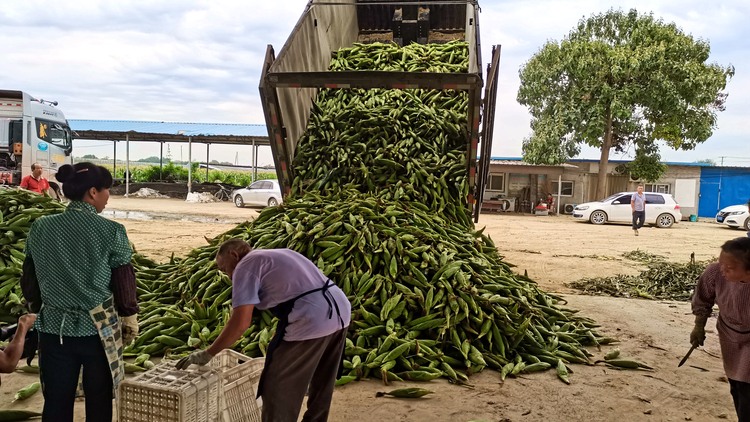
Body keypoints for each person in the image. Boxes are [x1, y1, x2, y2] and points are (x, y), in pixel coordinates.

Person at [176, 240, 351, 422]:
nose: (227, 275)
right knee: (322, 382)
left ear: (234, 255)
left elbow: (240, 323)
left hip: (312, 317)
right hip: (341, 310)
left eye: (224, 268)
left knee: (277, 385)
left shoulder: (245, 266)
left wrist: (208, 353)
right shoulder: (276, 254)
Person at [20, 162, 139, 422]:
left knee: (56, 401)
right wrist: (129, 316)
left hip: (53, 328)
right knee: (99, 401)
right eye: (107, 190)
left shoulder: (41, 226)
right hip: (98, 331)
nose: (108, 197)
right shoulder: (112, 231)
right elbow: (123, 279)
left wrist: (37, 308)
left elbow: (29, 278)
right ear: (93, 192)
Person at [691, 237, 750, 421]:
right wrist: (699, 326)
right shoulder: (714, 273)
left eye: (730, 268)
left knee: (747, 388)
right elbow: (703, 299)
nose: (722, 270)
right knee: (736, 382)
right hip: (729, 334)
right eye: (721, 263)